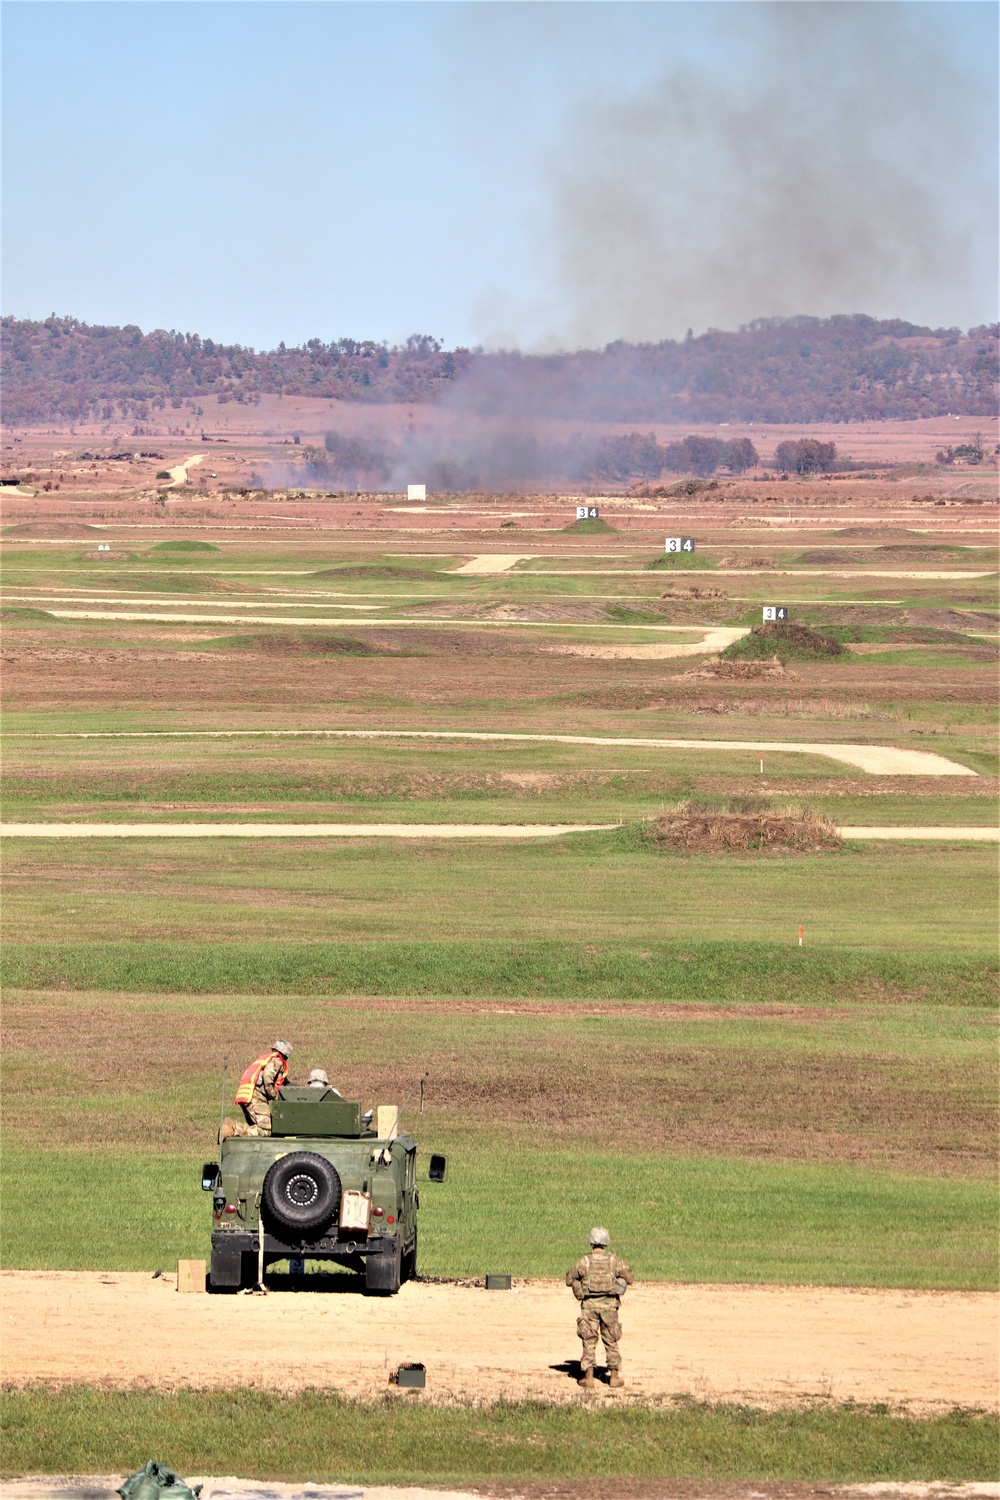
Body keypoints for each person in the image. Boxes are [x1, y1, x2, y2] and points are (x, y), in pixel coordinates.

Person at [565, 1227, 634, 1390]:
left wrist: (578, 1288)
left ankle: (588, 1378)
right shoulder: (614, 1261)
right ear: (606, 1242)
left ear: (591, 1242)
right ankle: (614, 1377)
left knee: (588, 1340)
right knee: (611, 1340)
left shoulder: (584, 1261)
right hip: (610, 1307)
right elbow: (629, 1278)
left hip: (589, 1306)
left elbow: (569, 1278)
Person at [219, 1041, 293, 1141]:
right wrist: (274, 1095)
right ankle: (233, 1129)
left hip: (247, 1094)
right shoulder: (277, 1060)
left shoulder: (265, 1058)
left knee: (255, 1126)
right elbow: (268, 1077)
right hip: (256, 1097)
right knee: (266, 1130)